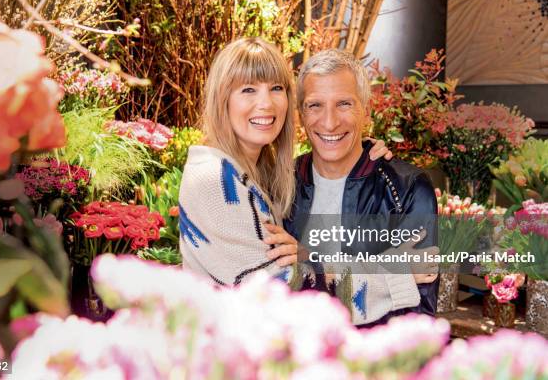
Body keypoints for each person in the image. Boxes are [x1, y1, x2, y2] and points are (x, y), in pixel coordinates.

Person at [178, 38, 391, 289]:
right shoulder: (216, 181)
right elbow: (281, 293)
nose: (266, 103)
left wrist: (356, 149)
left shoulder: (258, 174)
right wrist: (394, 279)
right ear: (221, 99)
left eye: (276, 88)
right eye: (248, 89)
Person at [283, 49, 440, 326]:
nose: (330, 122)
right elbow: (268, 289)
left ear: (364, 108)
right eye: (315, 105)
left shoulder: (407, 189)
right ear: (300, 114)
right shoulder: (280, 185)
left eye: (344, 104)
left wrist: (306, 264)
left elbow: (417, 316)